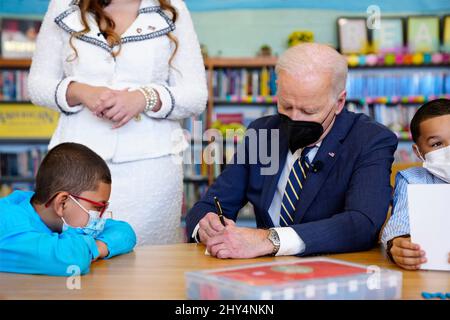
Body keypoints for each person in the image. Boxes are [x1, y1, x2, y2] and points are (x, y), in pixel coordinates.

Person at [185, 43, 398, 259]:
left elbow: (362, 224)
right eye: (286, 106)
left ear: (339, 102)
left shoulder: (370, 139)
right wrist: (207, 224)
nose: (294, 119)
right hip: (263, 274)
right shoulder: (262, 132)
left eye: (309, 110)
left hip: (336, 273)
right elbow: (212, 202)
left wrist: (269, 240)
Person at [28, 0, 207, 245]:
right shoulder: (63, 5)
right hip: (74, 170)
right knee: (75, 259)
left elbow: (196, 95)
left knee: (149, 269)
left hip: (151, 171)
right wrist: (80, 91)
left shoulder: (171, 8)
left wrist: (144, 98)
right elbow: (37, 86)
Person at [0, 143, 136, 276]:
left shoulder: (46, 212)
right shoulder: (9, 225)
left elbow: (124, 231)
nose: (100, 218)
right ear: (62, 204)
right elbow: (74, 259)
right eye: (97, 208)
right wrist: (92, 247)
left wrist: (98, 247)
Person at [381, 99, 450, 270]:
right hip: (430, 275)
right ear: (418, 152)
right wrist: (398, 244)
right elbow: (400, 223)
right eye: (437, 144)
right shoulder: (411, 179)